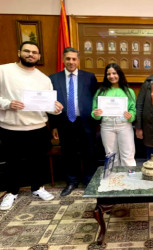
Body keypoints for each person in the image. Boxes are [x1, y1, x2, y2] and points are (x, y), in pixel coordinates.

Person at [0, 41, 63, 210]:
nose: (31, 54)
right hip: (11, 128)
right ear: (19, 52)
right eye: (27, 51)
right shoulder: (3, 71)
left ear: (39, 56)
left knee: (38, 161)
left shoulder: (44, 79)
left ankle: (37, 188)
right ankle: (11, 192)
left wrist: (56, 109)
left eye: (34, 52)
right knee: (12, 163)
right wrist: (7, 104)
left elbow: (48, 107)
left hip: (38, 127)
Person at [49, 47, 98, 197]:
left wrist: (96, 120)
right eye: (68, 59)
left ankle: (89, 180)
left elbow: (95, 99)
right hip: (64, 121)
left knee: (89, 152)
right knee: (68, 153)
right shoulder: (53, 78)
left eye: (74, 59)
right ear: (63, 60)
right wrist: (54, 125)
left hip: (85, 121)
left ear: (78, 60)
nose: (71, 62)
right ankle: (71, 181)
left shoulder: (89, 77)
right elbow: (50, 103)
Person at [92, 64, 136, 166]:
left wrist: (131, 116)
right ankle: (113, 181)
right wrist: (96, 114)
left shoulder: (129, 92)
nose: (112, 76)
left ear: (119, 74)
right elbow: (94, 111)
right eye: (108, 74)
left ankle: (129, 180)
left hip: (124, 125)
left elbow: (133, 110)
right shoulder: (100, 92)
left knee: (127, 156)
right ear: (106, 76)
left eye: (114, 73)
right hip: (107, 126)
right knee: (111, 156)